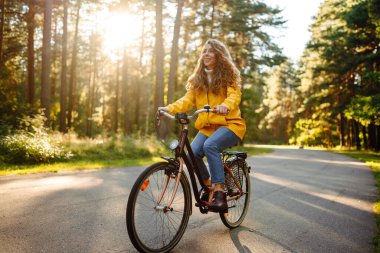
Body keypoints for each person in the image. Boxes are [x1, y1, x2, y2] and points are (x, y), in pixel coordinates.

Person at [159, 39, 246, 212]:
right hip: (207, 127)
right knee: (191, 155)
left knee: (210, 145)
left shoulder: (228, 76)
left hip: (230, 124)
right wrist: (167, 109)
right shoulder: (198, 80)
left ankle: (220, 193)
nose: (206, 54)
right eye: (204, 51)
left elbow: (234, 96)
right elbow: (186, 101)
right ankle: (210, 188)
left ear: (219, 55)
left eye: (210, 51)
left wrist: (225, 106)